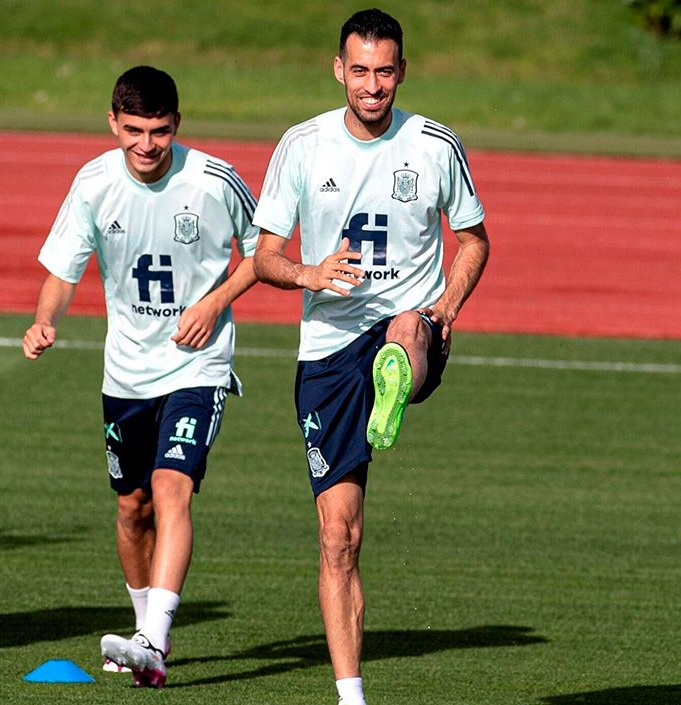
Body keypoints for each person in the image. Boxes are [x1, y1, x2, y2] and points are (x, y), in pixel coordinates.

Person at [251, 9, 490, 705]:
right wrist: (308, 274)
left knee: (404, 334)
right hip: (327, 347)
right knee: (338, 537)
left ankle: (401, 374)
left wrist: (445, 308)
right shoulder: (301, 146)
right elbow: (264, 257)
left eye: (385, 71)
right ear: (339, 70)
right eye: (360, 70)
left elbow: (473, 240)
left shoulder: (435, 144)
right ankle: (351, 697)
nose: (373, 85)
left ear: (402, 72)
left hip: (410, 319)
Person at [22, 65, 259, 688]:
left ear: (176, 125)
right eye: (133, 131)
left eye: (158, 131)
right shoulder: (94, 183)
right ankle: (144, 633)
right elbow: (63, 270)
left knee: (169, 486)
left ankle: (152, 637)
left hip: (197, 366)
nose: (147, 145)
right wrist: (44, 320)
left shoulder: (214, 180)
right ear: (112, 123)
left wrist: (213, 303)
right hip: (126, 372)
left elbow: (268, 253)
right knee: (132, 509)